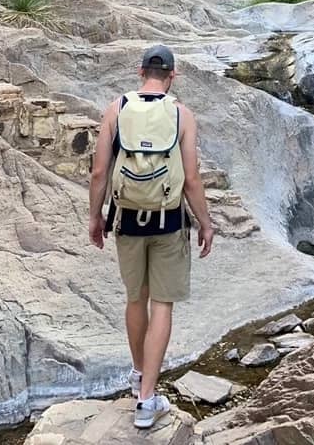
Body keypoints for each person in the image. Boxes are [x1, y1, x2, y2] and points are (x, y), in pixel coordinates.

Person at [88, 45, 214, 429]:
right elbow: (191, 179)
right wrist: (206, 223)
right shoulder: (181, 114)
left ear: (140, 71)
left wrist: (96, 218)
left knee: (135, 299)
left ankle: (138, 376)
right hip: (168, 221)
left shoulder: (117, 108)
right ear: (172, 76)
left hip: (126, 220)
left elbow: (98, 172)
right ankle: (147, 399)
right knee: (162, 304)